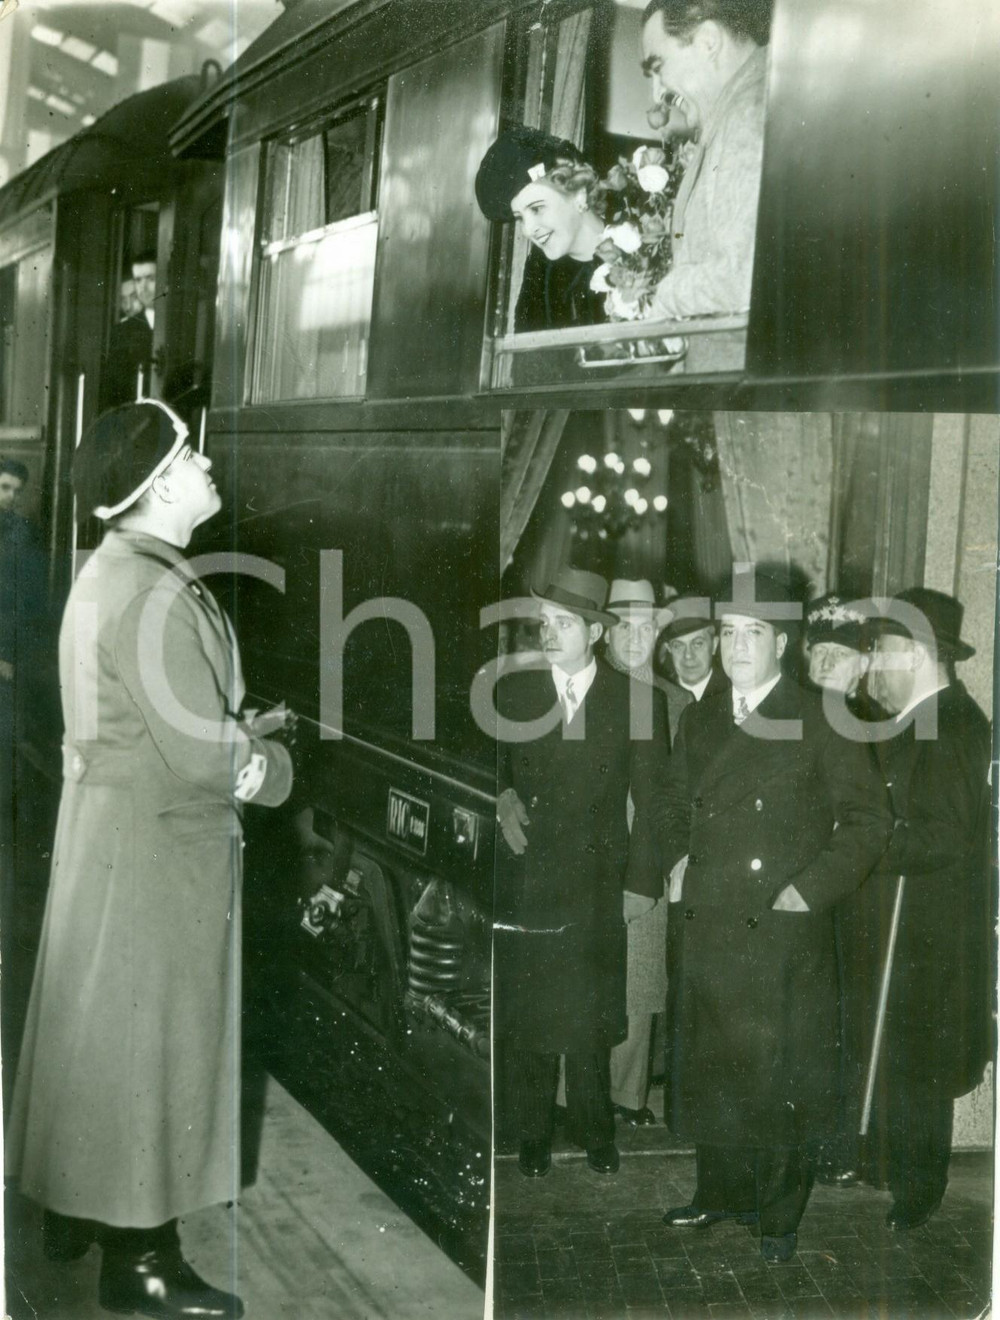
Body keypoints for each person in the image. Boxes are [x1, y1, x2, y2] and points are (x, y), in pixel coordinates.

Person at [5, 400, 294, 1319]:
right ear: (162, 483)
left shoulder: (113, 570)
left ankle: (76, 1209)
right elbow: (205, 758)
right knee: (153, 1053)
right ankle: (142, 1264)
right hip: (162, 857)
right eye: (193, 456)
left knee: (98, 1041)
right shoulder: (156, 589)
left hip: (114, 840)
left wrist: (227, 722)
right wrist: (272, 761)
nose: (209, 465)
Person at [658, 568, 892, 1262]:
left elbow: (868, 822)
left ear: (783, 643)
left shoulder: (819, 716)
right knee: (714, 1067)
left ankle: (779, 1217)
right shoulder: (703, 715)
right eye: (729, 632)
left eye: (751, 634)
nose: (734, 647)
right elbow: (675, 803)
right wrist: (676, 859)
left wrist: (808, 890)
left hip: (779, 927)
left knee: (779, 1079)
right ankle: (720, 1193)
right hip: (709, 920)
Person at [494, 567, 668, 1178]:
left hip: (599, 886)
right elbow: (494, 766)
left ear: (595, 632)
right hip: (531, 881)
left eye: (563, 623)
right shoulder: (514, 693)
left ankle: (596, 1133)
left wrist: (640, 885)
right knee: (533, 1014)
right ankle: (533, 1133)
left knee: (592, 1018)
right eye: (545, 622)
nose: (549, 632)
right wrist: (501, 798)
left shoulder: (637, 702)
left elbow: (655, 805)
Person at [865, 588, 993, 1231]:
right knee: (903, 1056)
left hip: (930, 930)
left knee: (920, 1062)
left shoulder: (954, 722)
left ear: (916, 653)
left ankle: (919, 1190)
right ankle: (896, 1170)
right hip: (901, 919)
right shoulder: (915, 717)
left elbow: (944, 833)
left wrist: (865, 842)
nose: (873, 664)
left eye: (882, 650)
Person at [602, 579, 687, 1125]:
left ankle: (626, 1096)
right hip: (591, 852)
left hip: (648, 853)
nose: (635, 637)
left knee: (639, 978)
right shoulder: (580, 688)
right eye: (623, 626)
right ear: (602, 630)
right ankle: (572, 1096)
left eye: (646, 626)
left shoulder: (673, 701)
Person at [640, 0, 772, 319]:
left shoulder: (748, 113)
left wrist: (667, 297)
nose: (658, 94)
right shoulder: (738, 108)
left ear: (708, 41)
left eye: (658, 69)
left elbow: (746, 276)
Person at [475, 126, 607, 332]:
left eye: (536, 208)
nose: (528, 230)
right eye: (519, 218)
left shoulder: (643, 231)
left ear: (579, 193)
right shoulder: (540, 278)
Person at [0, 458, 46, 848]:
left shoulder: (21, 533)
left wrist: (9, 656)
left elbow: (25, 601)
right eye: (4, 488)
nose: (11, 497)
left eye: (16, 490)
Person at [99, 250, 158, 409]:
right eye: (138, 280)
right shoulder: (122, 332)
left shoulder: (180, 325)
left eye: (151, 279)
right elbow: (113, 394)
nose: (143, 288)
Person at [655, 595, 728, 701]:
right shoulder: (659, 694)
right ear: (668, 648)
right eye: (678, 645)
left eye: (698, 643)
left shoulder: (733, 692)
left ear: (714, 645)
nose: (688, 655)